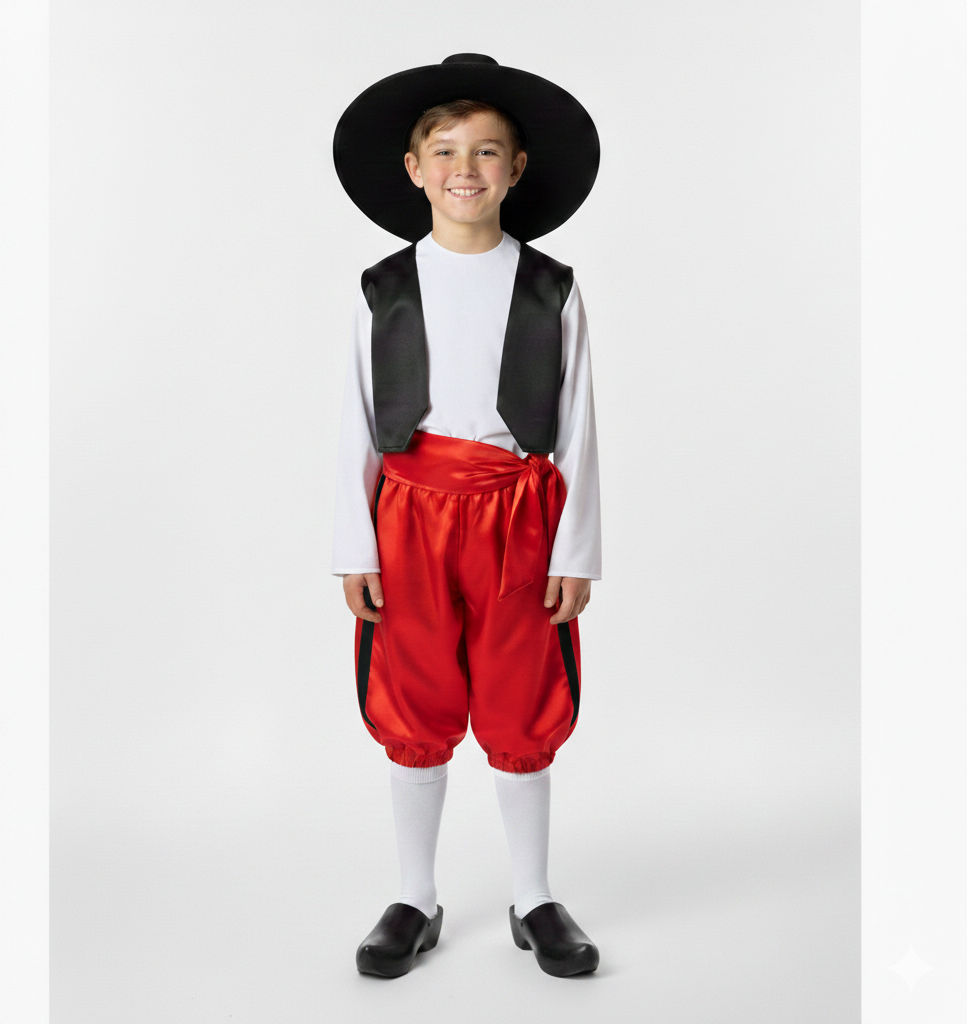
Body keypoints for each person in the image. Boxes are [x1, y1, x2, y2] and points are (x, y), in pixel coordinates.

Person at [331, 53, 602, 978]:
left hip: (518, 519)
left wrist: (576, 550)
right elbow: (356, 420)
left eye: (487, 151)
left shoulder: (551, 286)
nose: (465, 168)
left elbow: (579, 425)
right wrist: (354, 545)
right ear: (414, 168)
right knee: (413, 694)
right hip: (408, 516)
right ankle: (415, 895)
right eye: (445, 150)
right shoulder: (384, 288)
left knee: (522, 695)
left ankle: (534, 896)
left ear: (516, 168)